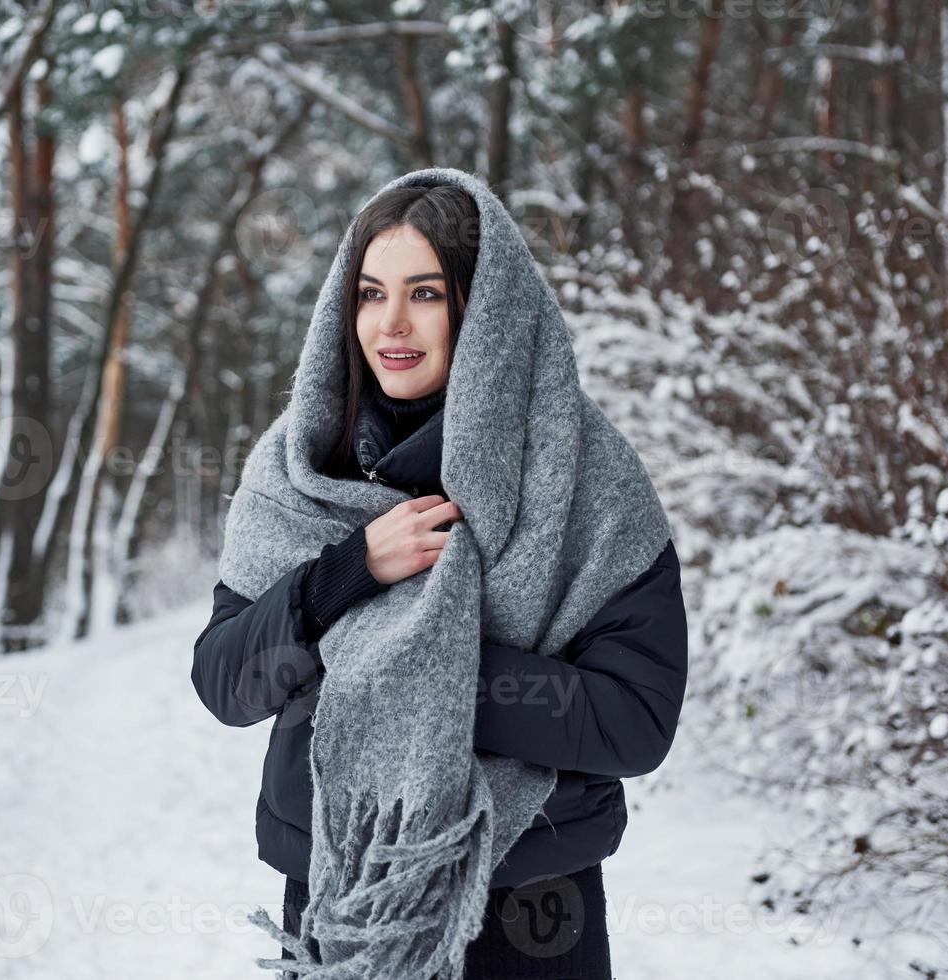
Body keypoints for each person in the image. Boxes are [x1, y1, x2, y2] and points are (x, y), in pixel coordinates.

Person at [191, 180, 688, 979]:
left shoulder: (589, 481)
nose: (390, 324)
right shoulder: (296, 472)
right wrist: (344, 576)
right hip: (342, 892)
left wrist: (417, 665)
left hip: (529, 903)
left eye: (424, 293)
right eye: (368, 294)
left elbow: (633, 721)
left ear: (485, 308)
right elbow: (226, 682)